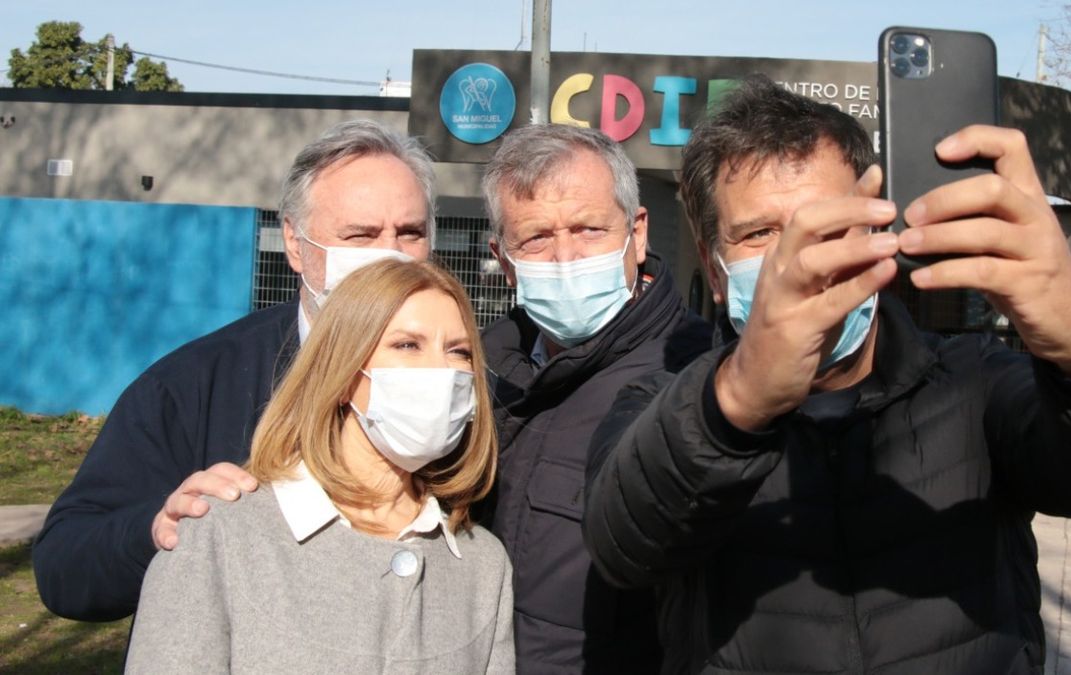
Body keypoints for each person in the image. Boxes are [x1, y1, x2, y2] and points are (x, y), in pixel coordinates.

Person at [583, 75, 1071, 674]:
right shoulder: (664, 404)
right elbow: (625, 546)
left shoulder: (976, 383)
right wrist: (737, 403)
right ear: (714, 274)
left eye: (831, 225)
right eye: (761, 233)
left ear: (879, 241)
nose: (802, 260)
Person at [34, 119, 437, 622]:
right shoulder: (193, 384)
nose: (388, 255)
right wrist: (155, 529)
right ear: (295, 243)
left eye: (410, 233)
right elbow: (64, 569)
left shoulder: (468, 393)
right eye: (360, 235)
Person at [125, 258, 513, 673]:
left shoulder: (482, 567)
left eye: (459, 351)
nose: (441, 369)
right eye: (407, 345)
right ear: (345, 371)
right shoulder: (221, 535)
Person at [480, 124, 710, 672]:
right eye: (536, 237)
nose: (565, 257)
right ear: (503, 257)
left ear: (637, 232)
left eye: (588, 229)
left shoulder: (698, 374)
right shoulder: (477, 364)